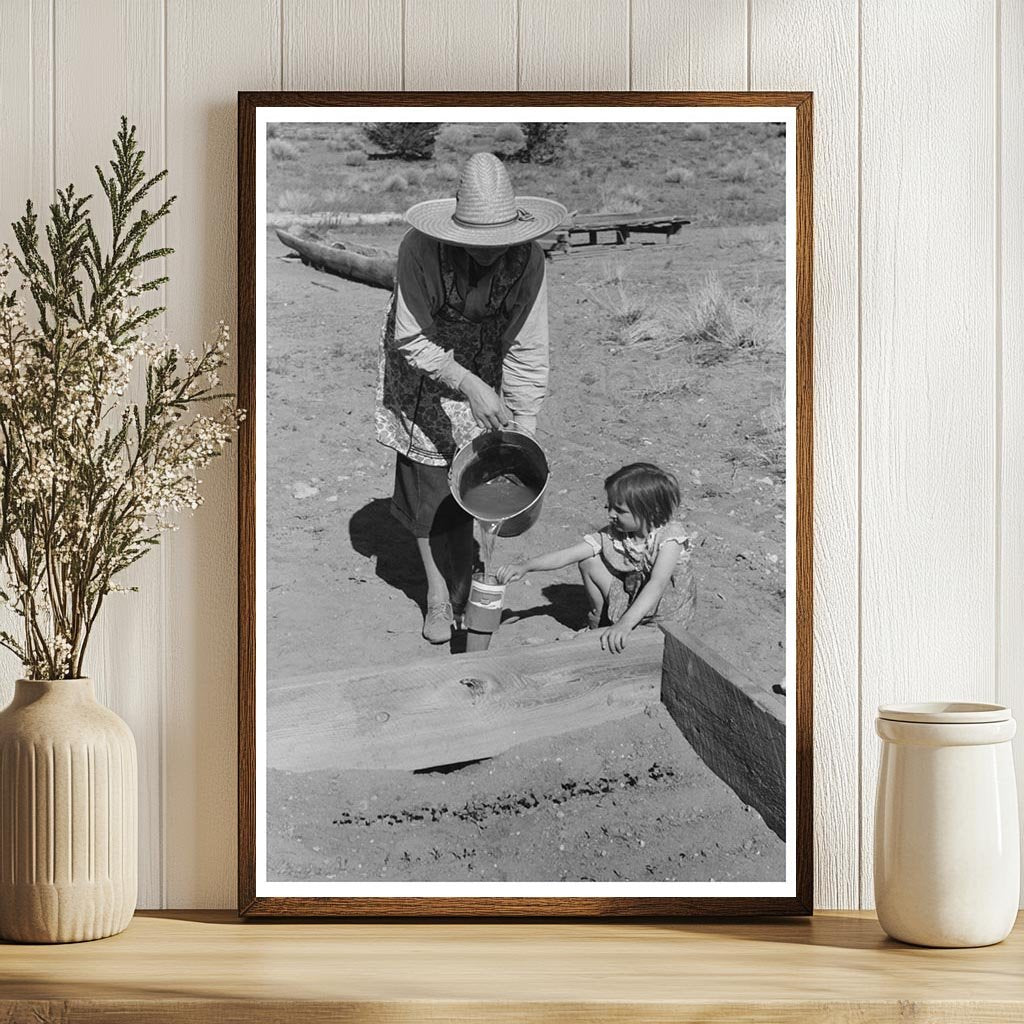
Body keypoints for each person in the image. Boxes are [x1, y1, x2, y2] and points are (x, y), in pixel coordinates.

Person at [374, 151, 567, 644]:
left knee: (481, 467)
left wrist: (524, 429)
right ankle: (437, 595)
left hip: (483, 360)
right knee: (427, 479)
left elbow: (527, 346)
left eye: (498, 243)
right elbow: (412, 338)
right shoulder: (419, 250)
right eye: (477, 243)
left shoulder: (529, 260)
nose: (488, 252)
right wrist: (467, 383)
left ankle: (468, 576)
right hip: (422, 362)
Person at [495, 463, 697, 653]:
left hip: (663, 612)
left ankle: (622, 626)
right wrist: (526, 567)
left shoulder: (669, 538)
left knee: (638, 643)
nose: (611, 514)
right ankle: (600, 621)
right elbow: (568, 555)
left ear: (649, 511)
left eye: (620, 510)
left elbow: (657, 583)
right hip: (633, 595)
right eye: (609, 507)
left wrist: (626, 623)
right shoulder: (616, 533)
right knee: (589, 560)